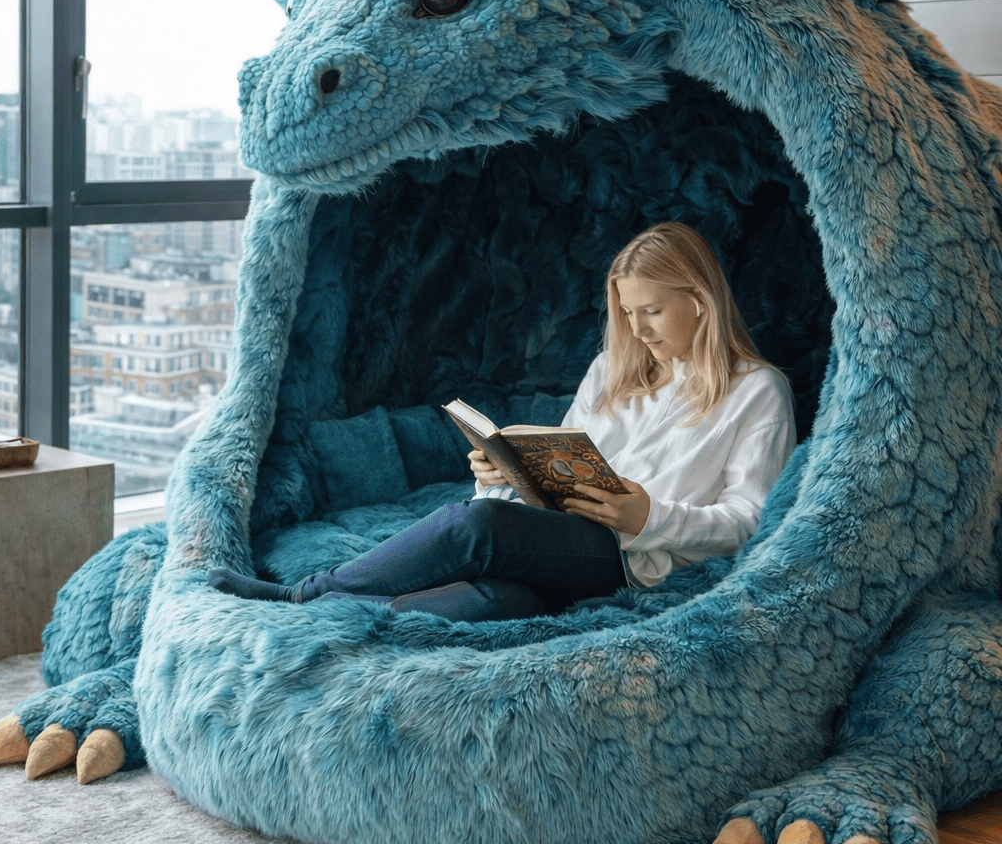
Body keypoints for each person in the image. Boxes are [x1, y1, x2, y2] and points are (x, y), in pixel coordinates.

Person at [209, 223, 796, 621]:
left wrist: (650, 517)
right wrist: (505, 474)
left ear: (699, 300)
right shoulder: (613, 370)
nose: (638, 330)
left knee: (479, 525)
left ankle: (301, 594)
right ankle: (339, 617)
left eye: (652, 311)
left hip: (631, 560)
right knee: (481, 601)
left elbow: (753, 522)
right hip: (558, 538)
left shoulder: (757, 391)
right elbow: (560, 462)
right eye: (627, 313)